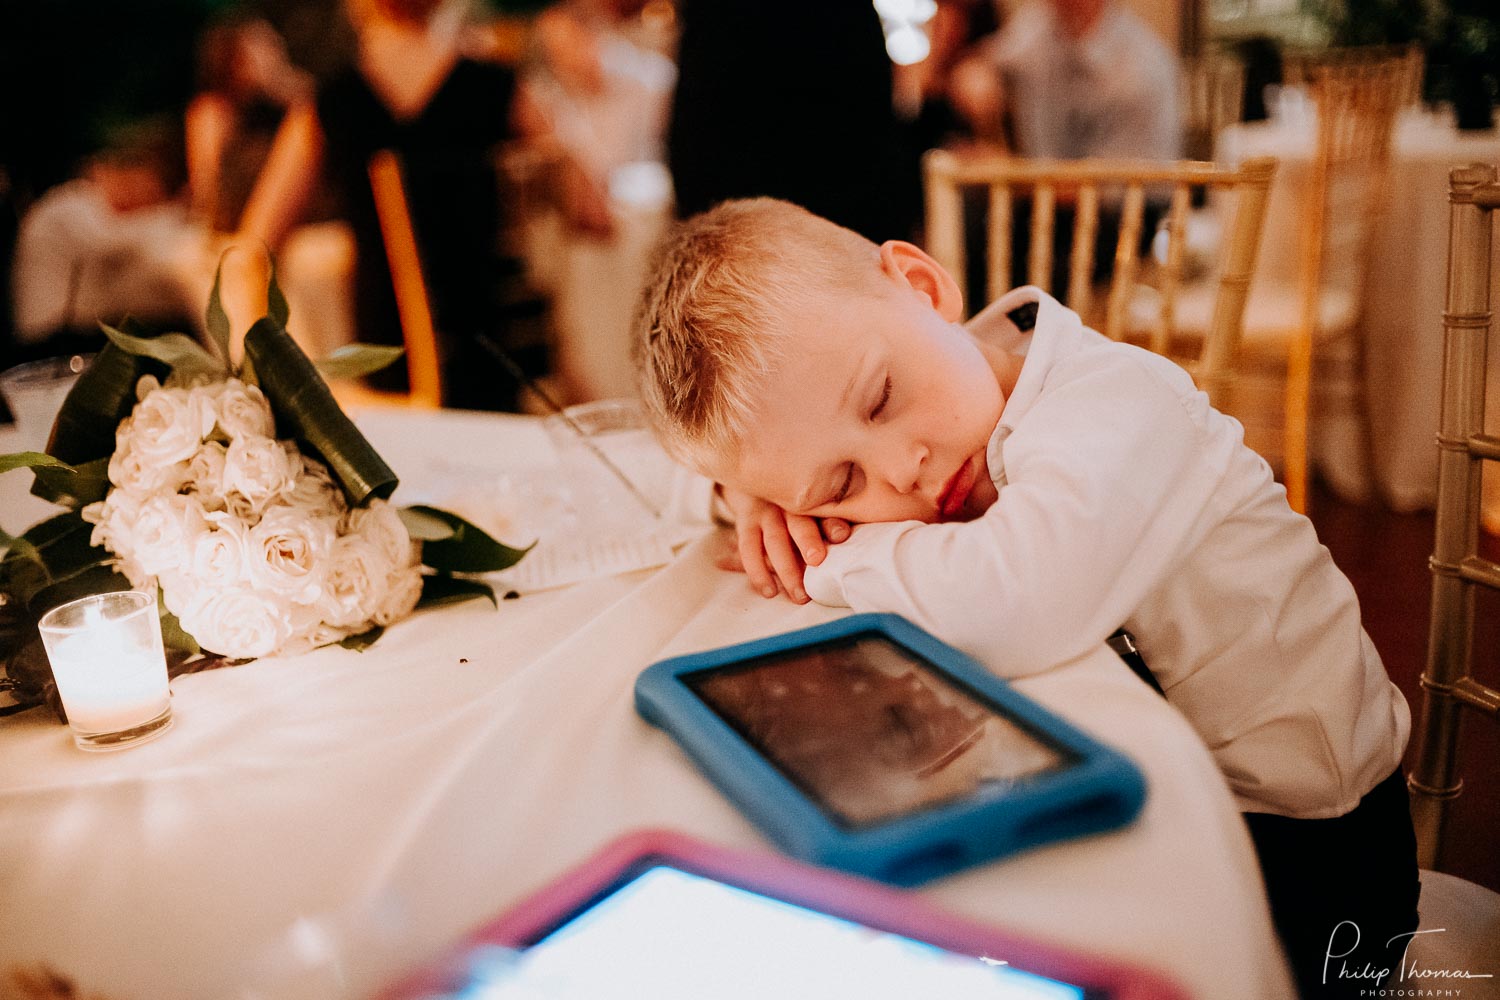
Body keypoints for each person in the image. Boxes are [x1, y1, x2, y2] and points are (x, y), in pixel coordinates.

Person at [634, 198, 1419, 999]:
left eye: (879, 401)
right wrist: (753, 499)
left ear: (923, 286)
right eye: (842, 484)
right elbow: (676, 461)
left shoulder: (1116, 400)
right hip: (1158, 781)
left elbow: (1018, 600)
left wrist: (842, 549)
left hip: (1319, 849)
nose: (900, 468)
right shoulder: (931, 402)